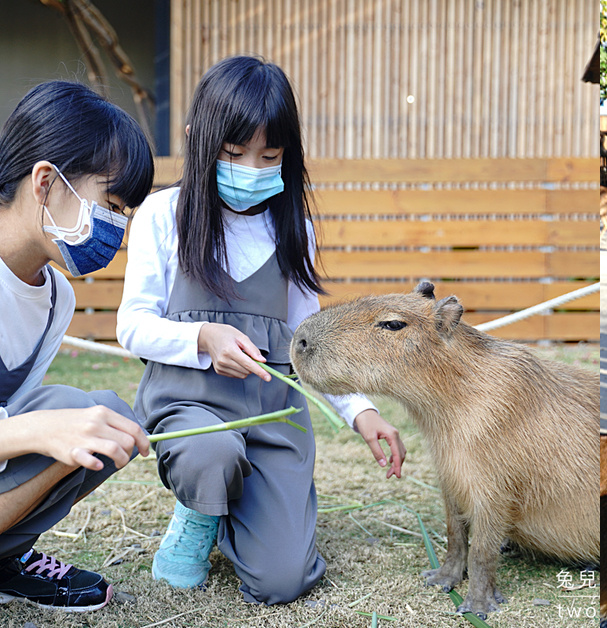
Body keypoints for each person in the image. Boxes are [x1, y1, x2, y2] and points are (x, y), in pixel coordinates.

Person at [116, 56, 405, 605]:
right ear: (199, 140)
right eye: (233, 153)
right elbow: (132, 327)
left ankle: (244, 503)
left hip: (271, 417)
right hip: (190, 406)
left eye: (268, 155)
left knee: (283, 580)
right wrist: (202, 339)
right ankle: (202, 506)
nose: (251, 167)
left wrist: (361, 411)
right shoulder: (164, 214)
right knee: (212, 454)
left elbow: (308, 341)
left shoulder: (292, 225)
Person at [0, 81, 154, 612]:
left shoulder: (53, 300)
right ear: (45, 182)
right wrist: (40, 430)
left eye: (125, 214)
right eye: (111, 204)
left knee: (103, 416)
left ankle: (5, 559)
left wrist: (50, 429)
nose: (117, 227)